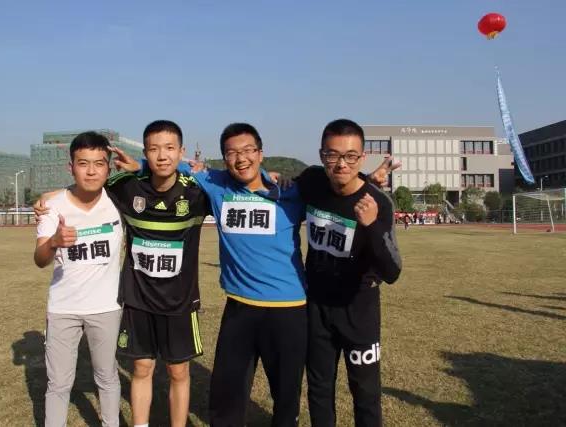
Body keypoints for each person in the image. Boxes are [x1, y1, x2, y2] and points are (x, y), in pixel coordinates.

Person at [117, 122, 401, 426]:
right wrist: (141, 165)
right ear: (224, 158)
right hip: (239, 307)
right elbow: (172, 164)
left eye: (249, 150)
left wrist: (368, 182)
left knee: (287, 400)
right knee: (226, 399)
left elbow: (339, 187)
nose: (241, 158)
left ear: (261, 154)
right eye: (232, 153)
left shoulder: (291, 191)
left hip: (289, 310)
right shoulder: (216, 184)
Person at [37, 121, 209, 427]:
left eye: (170, 148)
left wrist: (267, 177)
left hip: (179, 302)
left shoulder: (197, 192)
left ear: (181, 151)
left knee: (178, 371)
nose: (162, 155)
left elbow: (231, 185)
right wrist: (48, 199)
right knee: (141, 368)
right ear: (145, 152)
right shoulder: (127, 188)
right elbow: (87, 186)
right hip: (138, 300)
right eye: (153, 149)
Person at [294, 119, 402, 427]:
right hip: (317, 307)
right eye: (332, 155)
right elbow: (286, 187)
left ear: (362, 157)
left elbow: (392, 271)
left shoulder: (377, 203)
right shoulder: (312, 182)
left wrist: (371, 226)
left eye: (351, 156)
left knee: (365, 393)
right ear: (321, 155)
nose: (341, 163)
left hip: (359, 310)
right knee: (319, 388)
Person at [34, 131, 123, 427]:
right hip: (63, 308)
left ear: (108, 168)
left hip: (106, 307)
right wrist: (54, 241)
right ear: (70, 167)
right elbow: (40, 259)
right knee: (58, 383)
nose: (91, 171)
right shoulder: (53, 206)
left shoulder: (118, 202)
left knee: (107, 377)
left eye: (99, 163)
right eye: (83, 163)